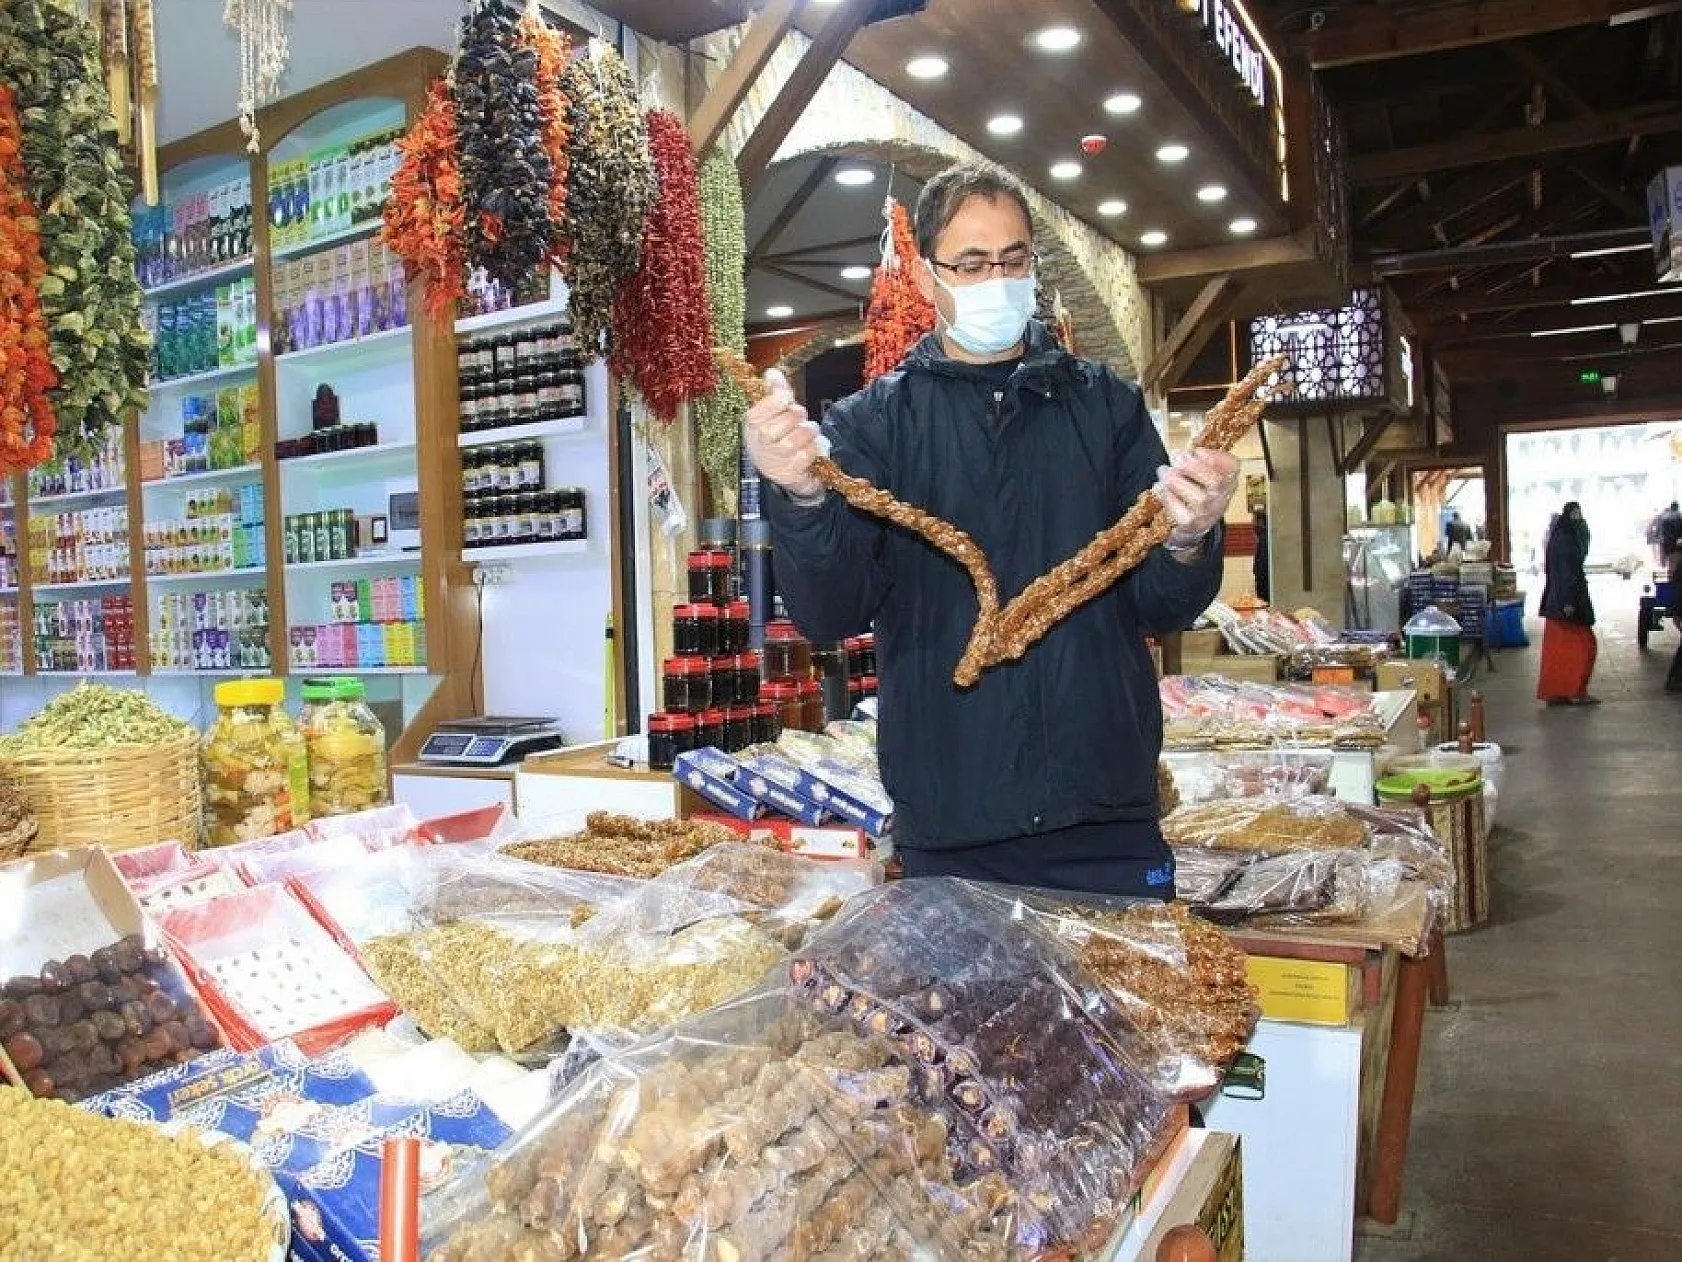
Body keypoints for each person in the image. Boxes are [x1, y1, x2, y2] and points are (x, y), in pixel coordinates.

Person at [747, 160, 1237, 898]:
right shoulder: (872, 427)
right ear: (923, 277)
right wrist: (800, 498)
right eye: (971, 265)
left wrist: (1189, 537)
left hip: (1103, 806)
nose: (996, 281)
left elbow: (1163, 605)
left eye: (1013, 261)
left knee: (1131, 1012)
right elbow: (830, 610)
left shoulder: (1105, 409)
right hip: (955, 816)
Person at [1537, 501, 1599, 706]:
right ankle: (1575, 690)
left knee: (1559, 652)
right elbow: (1566, 572)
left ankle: (1558, 691)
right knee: (1583, 648)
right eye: (1575, 514)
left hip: (1557, 603)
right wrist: (1568, 602)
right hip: (1567, 604)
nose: (1578, 517)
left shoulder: (1560, 536)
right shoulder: (1566, 540)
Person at [1252, 507, 1271, 604]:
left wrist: (1258, 582)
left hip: (1265, 587)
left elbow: (1262, 566)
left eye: (1254, 521)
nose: (1253, 525)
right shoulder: (1265, 537)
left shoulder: (1265, 539)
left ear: (1260, 522)